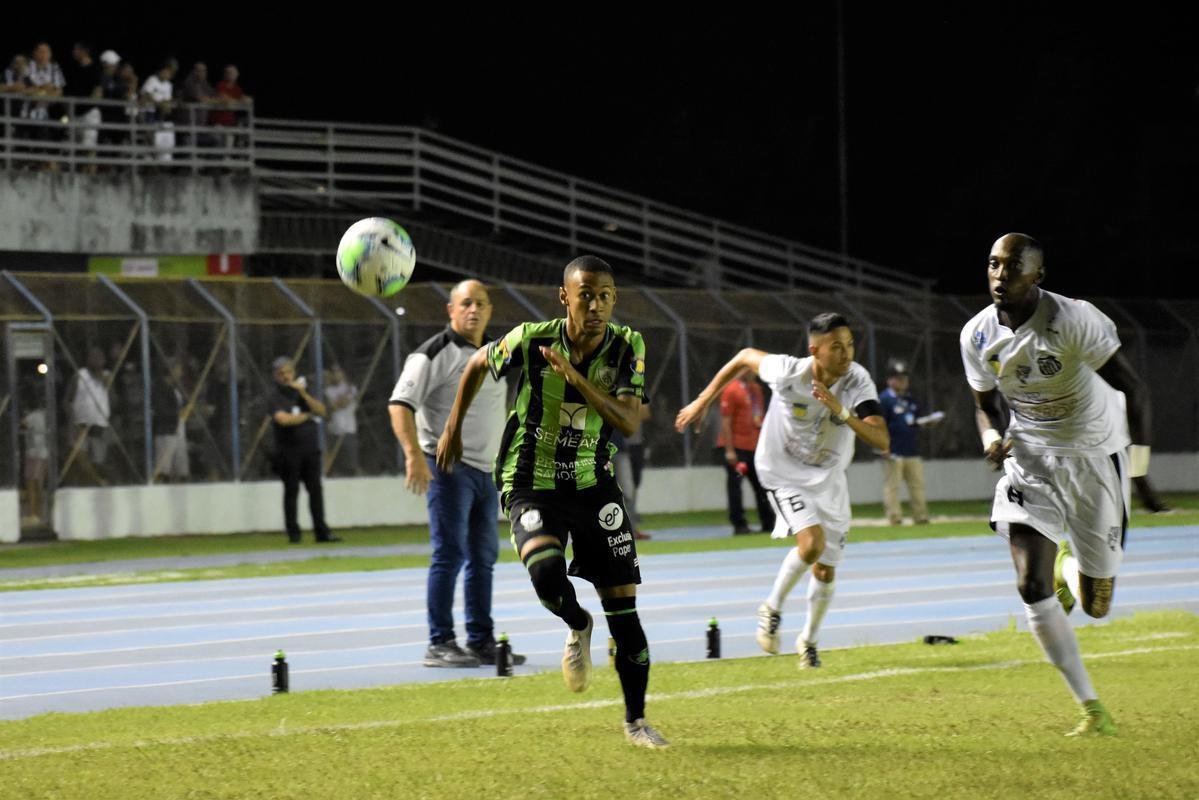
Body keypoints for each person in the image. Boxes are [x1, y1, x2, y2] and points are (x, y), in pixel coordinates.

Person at [436, 256, 669, 748]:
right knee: (544, 572)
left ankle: (637, 722)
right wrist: (453, 427)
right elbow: (479, 362)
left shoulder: (629, 347)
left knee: (624, 612)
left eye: (605, 295)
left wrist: (576, 378)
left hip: (593, 484)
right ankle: (577, 623)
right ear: (565, 297)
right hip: (531, 479)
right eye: (586, 294)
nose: (596, 304)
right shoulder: (531, 338)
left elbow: (628, 422)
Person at [960, 232, 1152, 737]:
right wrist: (991, 438)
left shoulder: (1071, 320)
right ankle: (1091, 708)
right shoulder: (977, 335)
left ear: (1037, 276)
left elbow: (1133, 388)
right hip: (1030, 458)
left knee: (1096, 604)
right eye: (994, 265)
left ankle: (1071, 566)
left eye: (1013, 268)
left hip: (1093, 456)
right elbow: (984, 406)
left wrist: (1141, 473)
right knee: (1030, 586)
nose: (1000, 276)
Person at [676, 313, 889, 669]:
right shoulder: (788, 371)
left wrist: (842, 412)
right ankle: (772, 608)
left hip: (829, 479)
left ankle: (808, 641)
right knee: (812, 543)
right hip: (782, 473)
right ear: (815, 351)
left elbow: (881, 438)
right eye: (836, 347)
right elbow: (744, 356)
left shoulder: (856, 381)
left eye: (850, 344)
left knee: (826, 569)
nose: (846, 353)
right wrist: (703, 400)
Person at [390, 280, 524, 668]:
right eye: (465, 303)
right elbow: (400, 404)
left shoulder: (497, 353)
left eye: (480, 304)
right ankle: (440, 642)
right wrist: (413, 454)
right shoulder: (434, 353)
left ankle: (480, 640)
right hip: (447, 466)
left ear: (490, 310)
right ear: (451, 310)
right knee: (449, 553)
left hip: (487, 471)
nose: (473, 310)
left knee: (483, 557)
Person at [268, 356, 339, 544]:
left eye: (288, 372)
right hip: (287, 451)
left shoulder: (304, 392)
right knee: (291, 492)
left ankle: (321, 532)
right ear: (276, 376)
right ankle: (294, 533)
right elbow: (283, 419)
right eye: (281, 373)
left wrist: (304, 395)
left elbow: (322, 411)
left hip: (310, 450)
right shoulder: (275, 396)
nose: (286, 377)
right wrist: (308, 416)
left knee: (315, 490)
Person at [878, 359, 944, 525]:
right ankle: (895, 518)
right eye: (898, 378)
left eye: (904, 378)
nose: (902, 381)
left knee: (917, 486)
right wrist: (883, 447)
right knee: (893, 487)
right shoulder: (884, 400)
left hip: (912, 449)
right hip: (893, 450)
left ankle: (920, 516)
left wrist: (926, 423)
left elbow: (915, 421)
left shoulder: (909, 399)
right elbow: (879, 425)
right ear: (889, 380)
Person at [716, 372, 774, 535]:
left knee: (762, 485)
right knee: (735, 487)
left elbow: (760, 417)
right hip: (737, 446)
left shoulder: (755, 389)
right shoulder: (732, 390)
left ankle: (768, 521)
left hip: (754, 445)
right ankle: (739, 524)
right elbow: (726, 422)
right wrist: (729, 450)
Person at [64, 345, 111, 485]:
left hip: (100, 425)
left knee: (98, 460)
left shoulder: (107, 376)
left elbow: (114, 400)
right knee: (80, 457)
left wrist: (107, 384)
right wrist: (72, 420)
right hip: (81, 424)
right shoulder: (80, 376)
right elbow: (67, 400)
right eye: (93, 356)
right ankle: (98, 481)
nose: (96, 360)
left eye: (99, 357)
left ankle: (97, 482)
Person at [611, 400, 652, 540]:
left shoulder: (626, 384)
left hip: (620, 448)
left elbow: (643, 413)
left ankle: (630, 530)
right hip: (596, 448)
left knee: (628, 491)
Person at [324, 364, 360, 476]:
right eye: (333, 373)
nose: (336, 375)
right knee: (334, 463)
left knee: (350, 462)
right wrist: (339, 402)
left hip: (348, 429)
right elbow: (332, 406)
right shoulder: (328, 390)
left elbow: (343, 404)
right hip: (333, 430)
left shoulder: (351, 388)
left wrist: (338, 402)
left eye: (338, 372)